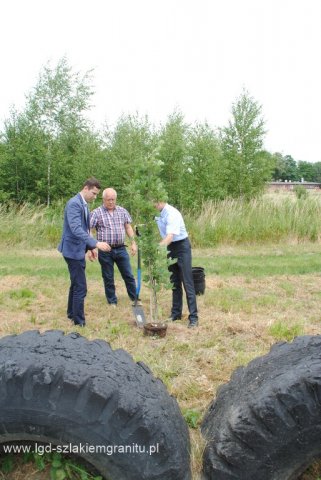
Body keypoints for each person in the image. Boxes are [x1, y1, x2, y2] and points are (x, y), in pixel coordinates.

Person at [58, 178, 109, 327]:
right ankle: (79, 322)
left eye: (96, 194)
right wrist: (96, 243)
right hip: (72, 250)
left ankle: (71, 313)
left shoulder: (84, 204)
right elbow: (75, 229)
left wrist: (90, 247)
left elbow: (85, 229)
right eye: (93, 193)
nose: (95, 197)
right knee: (81, 287)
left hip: (79, 249)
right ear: (86, 188)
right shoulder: (74, 203)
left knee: (75, 284)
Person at [90, 187, 138, 306]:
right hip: (105, 250)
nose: (111, 202)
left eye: (113, 199)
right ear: (103, 199)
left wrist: (133, 243)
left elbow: (128, 227)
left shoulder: (122, 211)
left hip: (121, 248)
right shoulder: (96, 213)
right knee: (108, 277)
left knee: (128, 275)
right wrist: (92, 246)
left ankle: (135, 299)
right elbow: (89, 229)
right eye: (108, 199)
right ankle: (112, 301)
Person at [155, 200, 198, 328]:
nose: (151, 205)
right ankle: (176, 314)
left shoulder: (171, 213)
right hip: (170, 247)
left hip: (181, 247)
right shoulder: (158, 213)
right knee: (174, 282)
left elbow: (170, 237)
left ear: (160, 201)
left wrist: (157, 248)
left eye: (153, 202)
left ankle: (194, 318)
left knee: (187, 281)